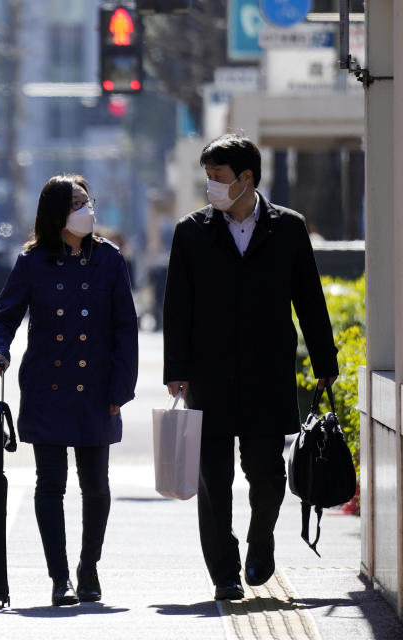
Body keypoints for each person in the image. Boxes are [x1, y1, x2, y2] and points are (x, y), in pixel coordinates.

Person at [162, 134, 338, 601]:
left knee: (267, 473)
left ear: (246, 179)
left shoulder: (289, 228)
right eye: (207, 178)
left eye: (218, 178)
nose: (211, 187)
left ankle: (261, 543)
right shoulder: (191, 231)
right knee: (212, 479)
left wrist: (326, 360)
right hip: (209, 375)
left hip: (267, 373)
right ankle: (223, 571)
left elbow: (310, 300)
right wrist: (176, 369)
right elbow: (176, 306)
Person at [0, 174, 138, 606]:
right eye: (74, 203)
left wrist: (121, 387)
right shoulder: (32, 261)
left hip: (97, 388)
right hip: (47, 388)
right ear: (55, 212)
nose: (85, 209)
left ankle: (89, 569)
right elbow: (3, 316)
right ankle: (59, 578)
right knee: (50, 484)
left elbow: (126, 327)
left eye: (87, 200)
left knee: (97, 486)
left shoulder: (109, 259)